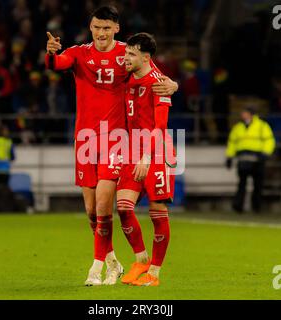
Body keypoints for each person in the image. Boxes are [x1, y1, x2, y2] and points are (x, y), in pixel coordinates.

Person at [45, 5, 178, 286]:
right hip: (85, 140)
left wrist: (173, 85)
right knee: (92, 213)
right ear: (90, 27)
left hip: (117, 139)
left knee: (107, 205)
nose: (102, 32)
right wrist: (51, 53)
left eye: (107, 28)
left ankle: (100, 268)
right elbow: (57, 65)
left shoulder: (126, 54)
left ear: (116, 28)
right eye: (97, 27)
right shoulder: (80, 53)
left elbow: (155, 74)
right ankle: (112, 262)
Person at [116, 33, 176, 286]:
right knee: (123, 207)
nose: (125, 57)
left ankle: (154, 274)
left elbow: (159, 127)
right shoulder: (128, 75)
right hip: (132, 150)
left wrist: (146, 157)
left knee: (157, 213)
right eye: (126, 52)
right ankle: (141, 259)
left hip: (157, 152)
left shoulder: (159, 83)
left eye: (131, 54)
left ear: (146, 58)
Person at [225, 106, 276, 213]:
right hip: (243, 159)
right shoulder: (238, 127)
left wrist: (265, 154)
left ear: (251, 114)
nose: (242, 115)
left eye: (244, 113)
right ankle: (238, 206)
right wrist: (229, 156)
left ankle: (256, 207)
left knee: (258, 185)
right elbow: (232, 143)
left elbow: (269, 141)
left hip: (257, 159)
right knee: (241, 184)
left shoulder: (262, 126)